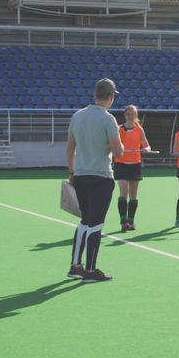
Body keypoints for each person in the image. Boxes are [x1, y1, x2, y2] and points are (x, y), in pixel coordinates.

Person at [66, 78, 124, 283]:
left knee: (84, 221)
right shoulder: (108, 119)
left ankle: (75, 266)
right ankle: (90, 270)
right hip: (101, 176)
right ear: (110, 97)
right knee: (96, 225)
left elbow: (70, 149)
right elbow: (119, 151)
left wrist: (72, 173)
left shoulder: (78, 116)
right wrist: (110, 146)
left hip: (80, 175)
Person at [113, 104, 151, 232]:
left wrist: (145, 149)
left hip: (135, 164)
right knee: (123, 193)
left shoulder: (139, 130)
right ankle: (123, 222)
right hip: (121, 164)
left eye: (132, 114)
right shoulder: (118, 129)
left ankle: (131, 220)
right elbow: (113, 145)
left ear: (136, 116)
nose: (130, 116)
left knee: (133, 195)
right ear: (125, 115)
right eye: (128, 114)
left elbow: (147, 146)